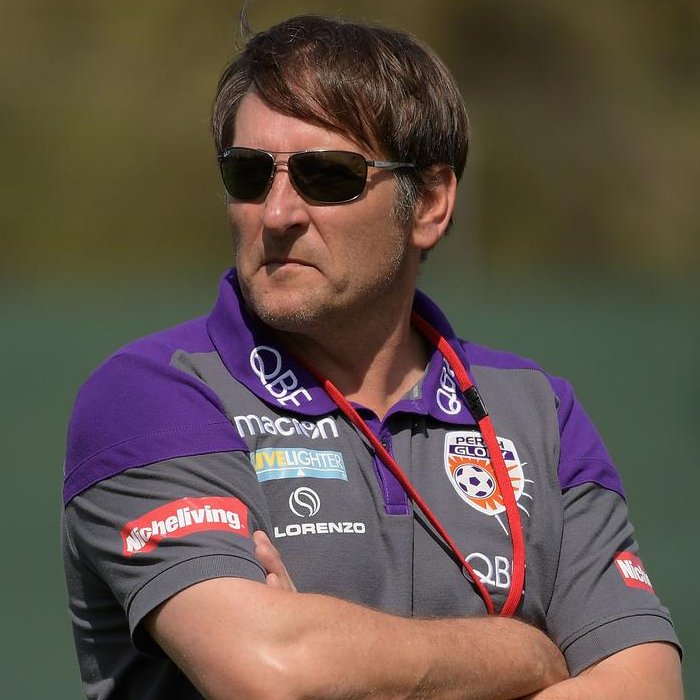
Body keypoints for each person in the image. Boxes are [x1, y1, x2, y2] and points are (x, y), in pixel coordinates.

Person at [62, 13, 683, 700]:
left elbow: (646, 686)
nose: (277, 214)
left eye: (327, 176)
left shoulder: (539, 412)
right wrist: (527, 655)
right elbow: (271, 671)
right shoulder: (152, 396)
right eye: (249, 173)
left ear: (431, 204)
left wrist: (340, 658)